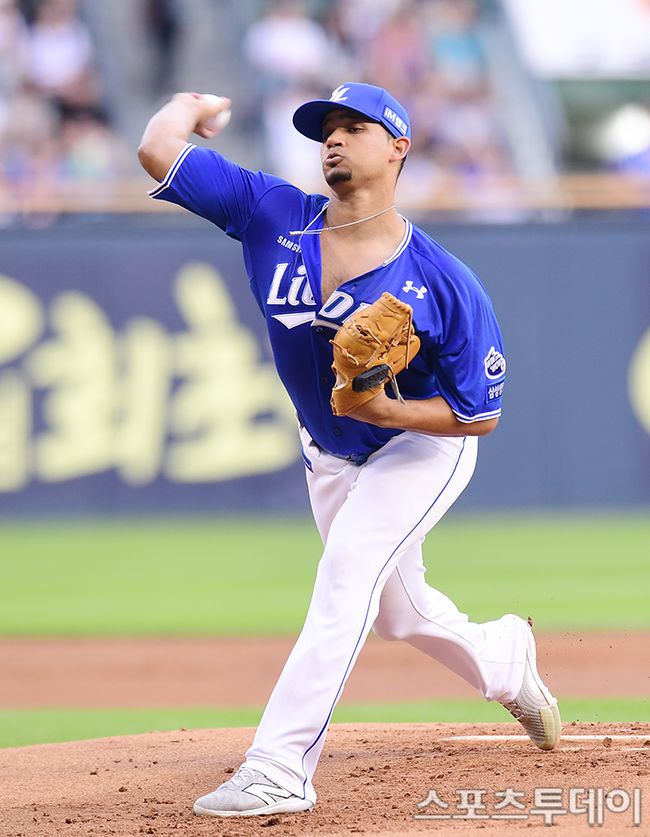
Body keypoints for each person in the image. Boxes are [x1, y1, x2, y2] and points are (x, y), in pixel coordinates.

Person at [138, 82, 561, 819]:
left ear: (398, 148)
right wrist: (188, 104)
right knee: (398, 612)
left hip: (416, 446)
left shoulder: (443, 281)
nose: (333, 138)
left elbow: (478, 414)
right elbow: (156, 148)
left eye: (354, 127)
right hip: (329, 449)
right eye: (325, 129)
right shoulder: (272, 212)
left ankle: (279, 768)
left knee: (345, 580)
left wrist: (387, 408)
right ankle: (502, 658)